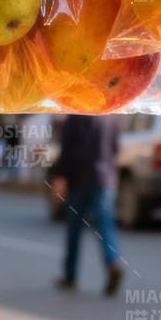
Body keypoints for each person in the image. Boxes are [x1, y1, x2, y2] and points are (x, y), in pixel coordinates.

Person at [51, 114, 124, 296]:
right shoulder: (110, 117)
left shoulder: (75, 117)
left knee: (74, 229)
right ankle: (112, 261)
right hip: (105, 179)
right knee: (105, 224)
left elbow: (66, 150)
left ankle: (70, 275)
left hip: (80, 180)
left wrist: (60, 177)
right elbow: (115, 148)